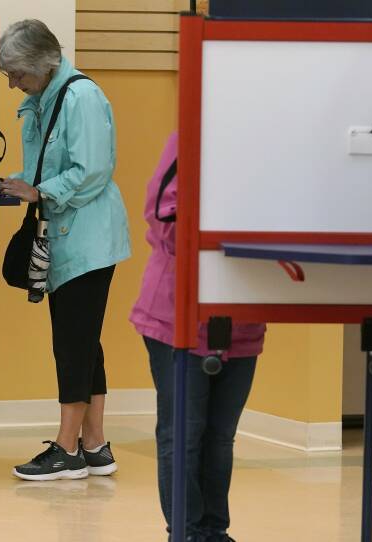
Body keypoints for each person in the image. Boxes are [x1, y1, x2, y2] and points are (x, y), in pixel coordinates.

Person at [0, 19, 131, 481]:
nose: (13, 84)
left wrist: (38, 192)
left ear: (43, 63)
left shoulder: (80, 97)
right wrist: (16, 184)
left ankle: (66, 449)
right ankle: (95, 446)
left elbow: (92, 170)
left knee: (72, 342)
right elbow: (48, 167)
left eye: (16, 73)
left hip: (87, 238)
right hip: (69, 234)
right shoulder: (42, 102)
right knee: (85, 342)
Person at [130, 132, 267, 542]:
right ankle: (185, 532)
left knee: (220, 436)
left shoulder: (276, 148)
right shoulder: (192, 136)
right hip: (176, 315)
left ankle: (214, 531)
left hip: (242, 316)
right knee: (183, 434)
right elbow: (162, 218)